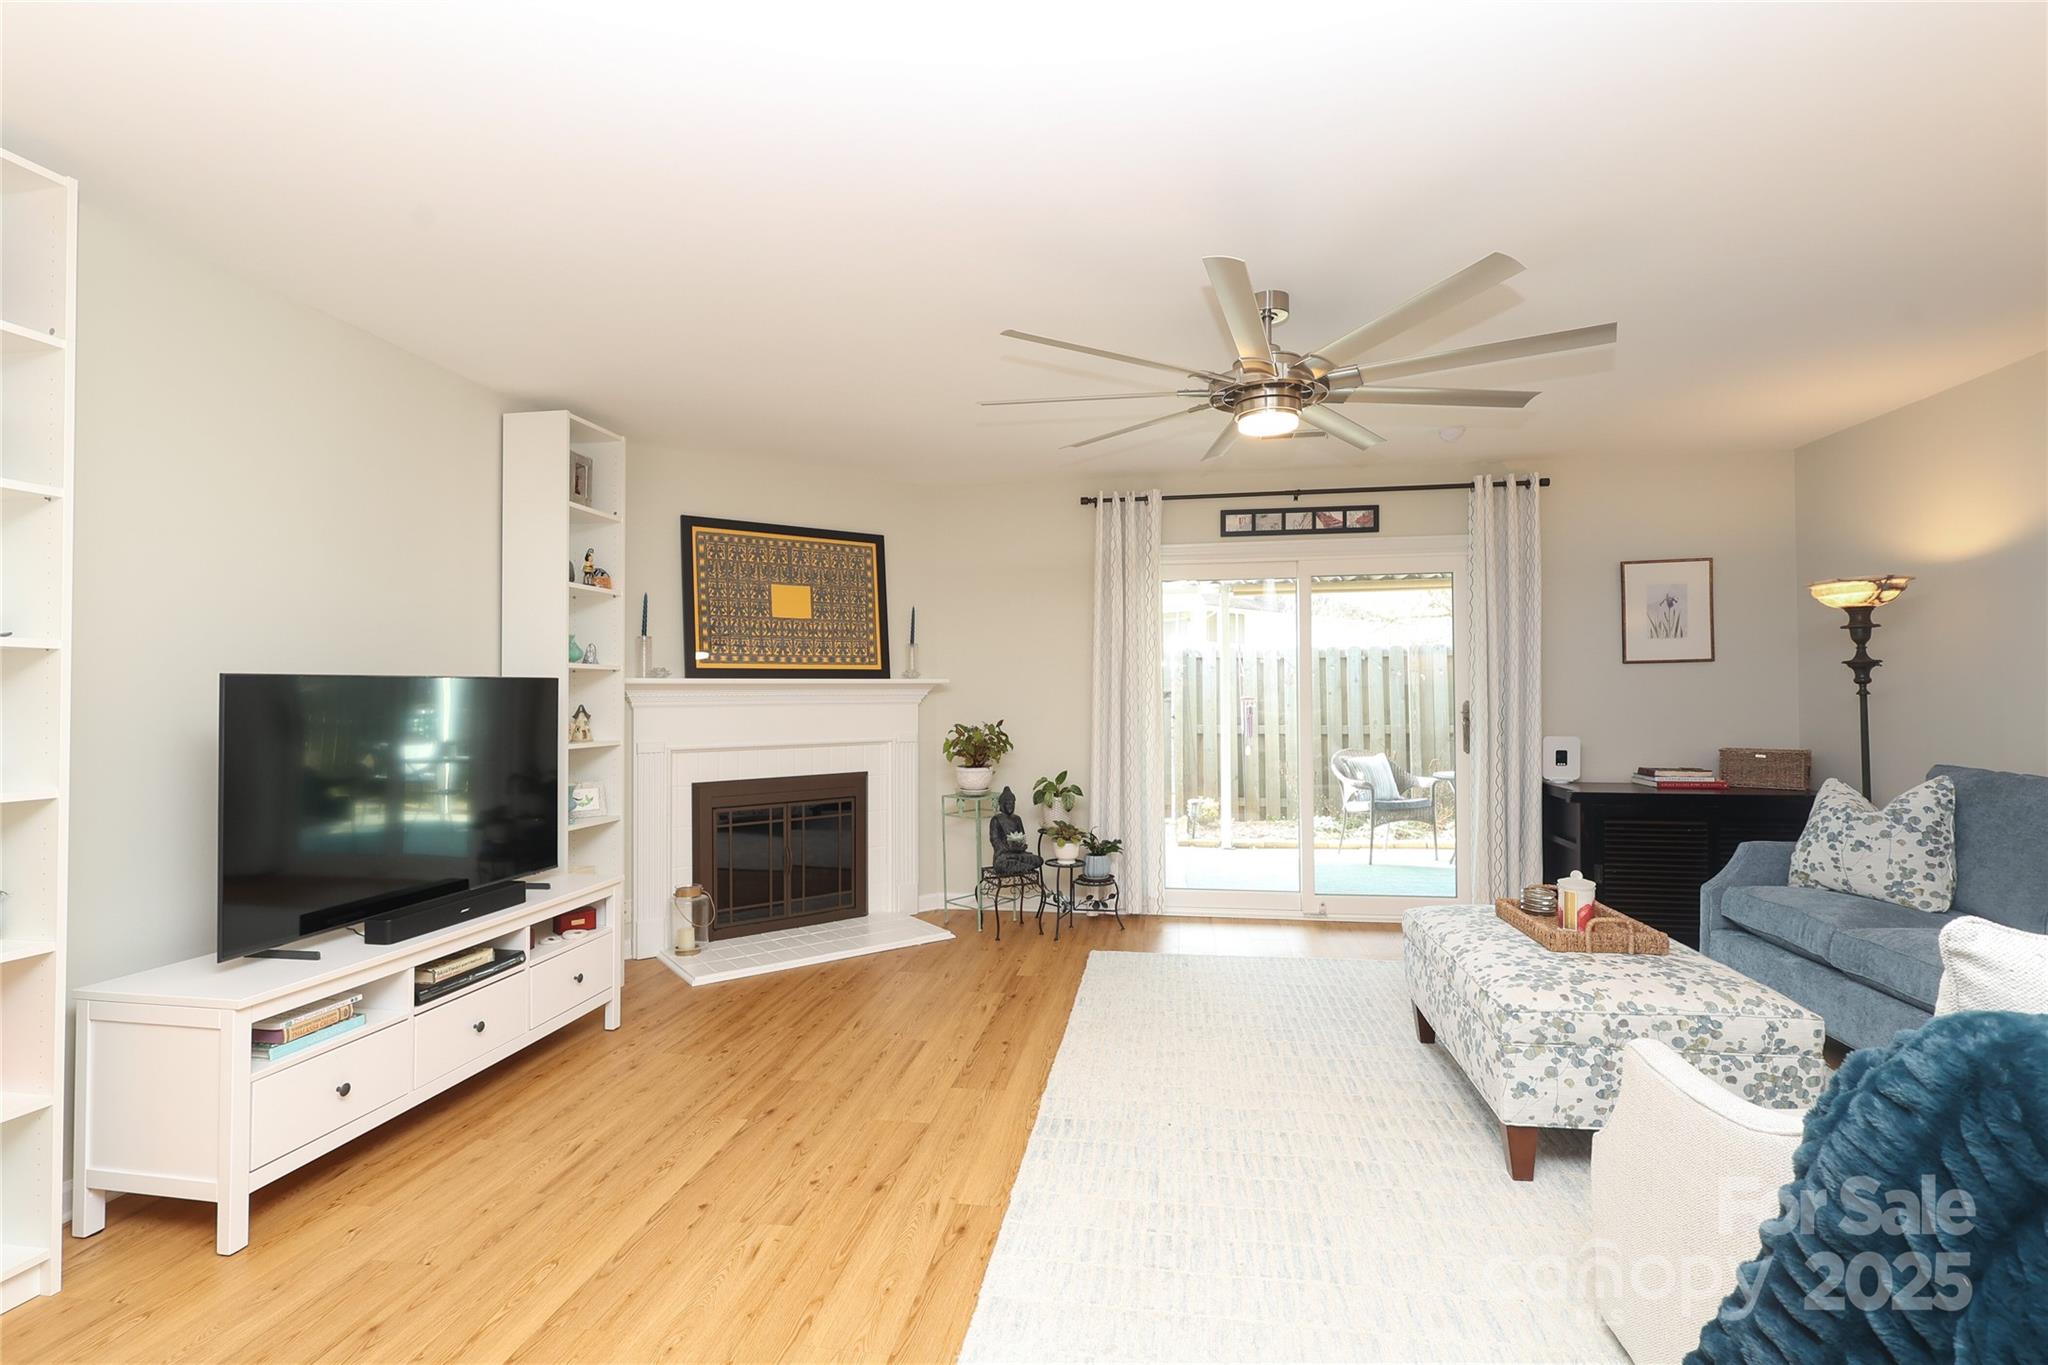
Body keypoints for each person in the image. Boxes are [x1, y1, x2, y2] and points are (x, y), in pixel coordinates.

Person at [987, 786, 1042, 876]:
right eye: (1008, 804)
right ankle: (1023, 866)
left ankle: (1020, 866)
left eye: (1012, 804)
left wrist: (1021, 846)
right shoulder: (996, 819)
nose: (1011, 806)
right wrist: (1008, 848)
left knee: (1038, 860)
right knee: (1002, 864)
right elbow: (995, 840)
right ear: (1002, 804)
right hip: (1004, 855)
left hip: (1018, 854)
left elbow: (1022, 837)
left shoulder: (1017, 819)